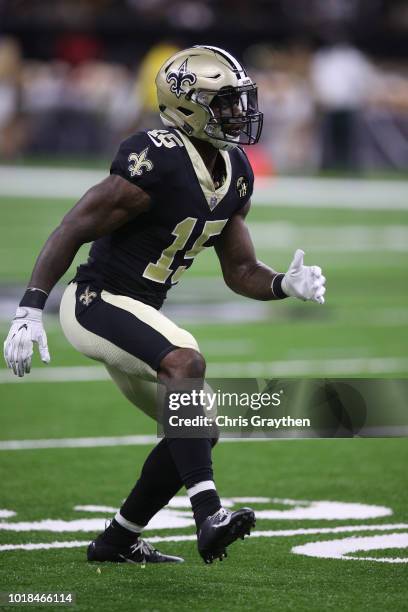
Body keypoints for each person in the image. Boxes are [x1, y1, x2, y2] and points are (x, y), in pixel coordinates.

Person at [3, 45, 326, 565]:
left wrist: (284, 285)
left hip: (138, 310)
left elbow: (241, 271)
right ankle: (209, 516)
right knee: (185, 360)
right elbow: (73, 226)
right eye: (223, 104)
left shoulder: (236, 170)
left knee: (197, 428)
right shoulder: (156, 158)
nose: (238, 114)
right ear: (188, 104)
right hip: (96, 302)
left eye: (239, 102)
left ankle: (116, 540)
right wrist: (29, 307)